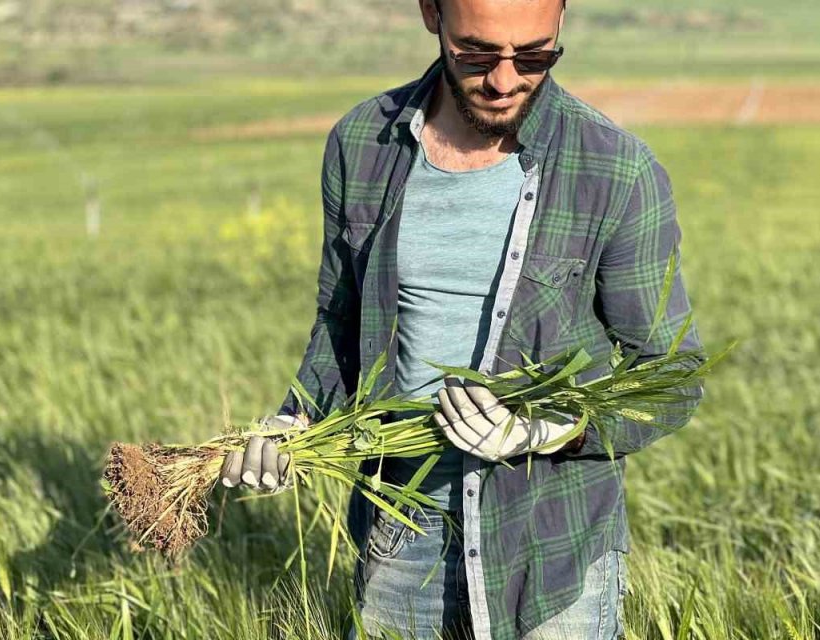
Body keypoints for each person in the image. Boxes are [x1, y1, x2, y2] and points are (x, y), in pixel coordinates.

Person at [219, 0, 704, 638]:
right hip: (399, 536)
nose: (504, 80)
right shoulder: (362, 143)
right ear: (431, 15)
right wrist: (294, 421)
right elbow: (341, 324)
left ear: (561, 23)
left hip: (551, 546)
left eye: (534, 55)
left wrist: (551, 429)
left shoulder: (615, 168)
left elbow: (671, 377)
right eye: (477, 53)